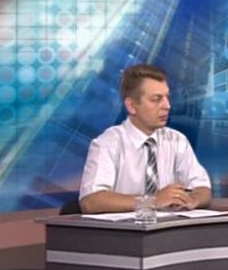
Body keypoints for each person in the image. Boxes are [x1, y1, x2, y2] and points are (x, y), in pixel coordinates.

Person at [79, 64, 211, 214]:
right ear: (131, 106)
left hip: (169, 227)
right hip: (126, 228)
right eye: (156, 99)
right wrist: (151, 201)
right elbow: (91, 201)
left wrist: (193, 199)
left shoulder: (177, 140)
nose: (167, 106)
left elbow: (202, 188)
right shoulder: (108, 143)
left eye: (167, 97)